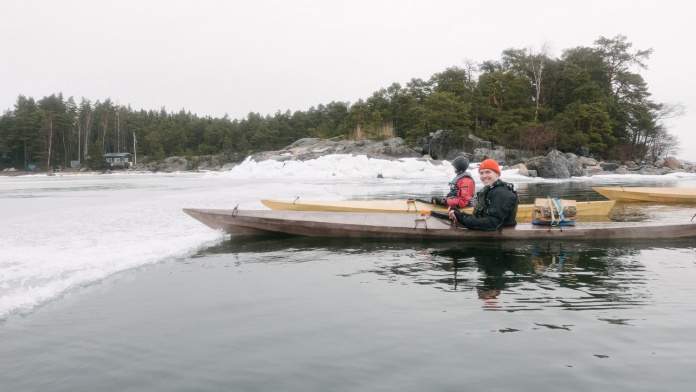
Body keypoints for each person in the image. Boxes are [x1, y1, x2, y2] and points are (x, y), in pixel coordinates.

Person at [448, 158, 518, 231]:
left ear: (497, 174)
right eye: (481, 173)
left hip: (499, 236)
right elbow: (480, 218)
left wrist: (462, 220)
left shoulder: (502, 194)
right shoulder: (490, 190)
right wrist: (460, 214)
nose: (484, 176)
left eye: (488, 172)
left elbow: (493, 223)